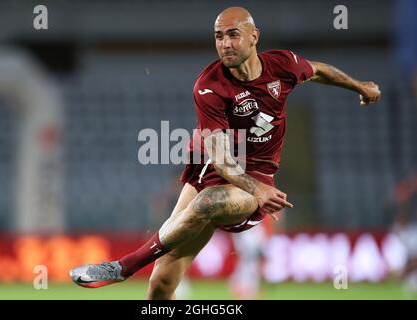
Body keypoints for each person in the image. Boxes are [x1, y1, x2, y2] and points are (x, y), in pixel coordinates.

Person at [70, 7, 381, 299]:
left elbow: (318, 71)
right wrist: (258, 190)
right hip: (213, 172)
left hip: (253, 177)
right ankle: (140, 273)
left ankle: (124, 267)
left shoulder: (282, 65)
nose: (225, 44)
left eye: (233, 34)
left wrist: (360, 86)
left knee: (210, 202)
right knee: (162, 280)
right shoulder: (209, 87)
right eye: (219, 37)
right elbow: (222, 162)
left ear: (254, 36)